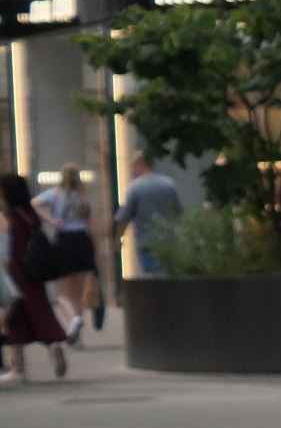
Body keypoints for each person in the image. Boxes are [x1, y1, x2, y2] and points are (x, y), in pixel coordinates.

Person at [2, 173, 69, 383]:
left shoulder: (7, 218)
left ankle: (18, 368)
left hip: (13, 271)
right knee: (41, 311)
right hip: (33, 271)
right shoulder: (31, 215)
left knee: (15, 320)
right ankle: (54, 345)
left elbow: (4, 249)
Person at [32, 165, 99, 339]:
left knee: (62, 293)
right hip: (83, 243)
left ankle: (74, 320)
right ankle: (77, 333)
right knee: (77, 292)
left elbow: (34, 205)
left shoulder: (53, 194)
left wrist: (52, 220)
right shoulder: (84, 199)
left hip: (64, 242)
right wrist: (95, 251)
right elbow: (93, 229)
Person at [115, 154, 185, 277]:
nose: (132, 171)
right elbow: (178, 214)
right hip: (168, 240)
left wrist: (118, 239)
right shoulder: (168, 184)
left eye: (133, 166)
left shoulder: (135, 188)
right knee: (168, 274)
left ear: (141, 165)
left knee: (151, 275)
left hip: (146, 241)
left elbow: (124, 217)